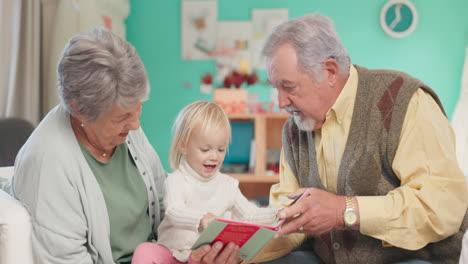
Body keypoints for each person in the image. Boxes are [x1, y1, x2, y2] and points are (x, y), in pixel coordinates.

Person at [12, 29, 239, 264]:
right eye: (122, 117)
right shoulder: (48, 164)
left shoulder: (123, 126)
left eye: (138, 108)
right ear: (78, 108)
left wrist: (198, 248)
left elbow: (166, 202)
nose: (135, 124)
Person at [255, 13, 468, 264]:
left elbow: (440, 208)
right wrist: (239, 251)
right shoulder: (295, 129)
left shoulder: (405, 101)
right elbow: (285, 220)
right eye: (274, 88)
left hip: (410, 258)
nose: (280, 103)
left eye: (288, 87)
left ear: (330, 71)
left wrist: (344, 211)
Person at [131, 101, 279, 264]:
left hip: (203, 258)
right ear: (183, 145)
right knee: (145, 250)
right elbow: (174, 211)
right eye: (205, 149)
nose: (214, 156)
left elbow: (250, 214)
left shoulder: (228, 185)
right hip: (171, 254)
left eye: (221, 149)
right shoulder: (177, 180)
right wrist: (200, 220)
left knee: (213, 254)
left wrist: (278, 213)